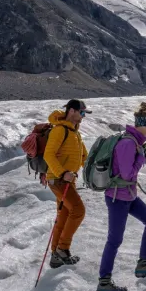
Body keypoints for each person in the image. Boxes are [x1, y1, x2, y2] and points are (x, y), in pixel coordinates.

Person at [97, 103, 146, 291]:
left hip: (128, 195)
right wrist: (142, 158)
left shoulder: (135, 142)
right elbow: (127, 174)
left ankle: (143, 265)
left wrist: (142, 154)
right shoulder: (128, 143)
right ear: (142, 125)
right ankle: (104, 282)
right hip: (117, 197)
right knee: (115, 239)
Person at [42, 99, 90, 268]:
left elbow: (84, 157)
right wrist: (63, 173)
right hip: (59, 179)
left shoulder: (74, 133)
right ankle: (63, 249)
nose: (83, 116)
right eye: (82, 112)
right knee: (78, 211)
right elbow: (49, 155)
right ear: (72, 111)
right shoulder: (59, 130)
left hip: (68, 180)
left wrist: (94, 173)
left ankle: (56, 256)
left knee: (63, 215)